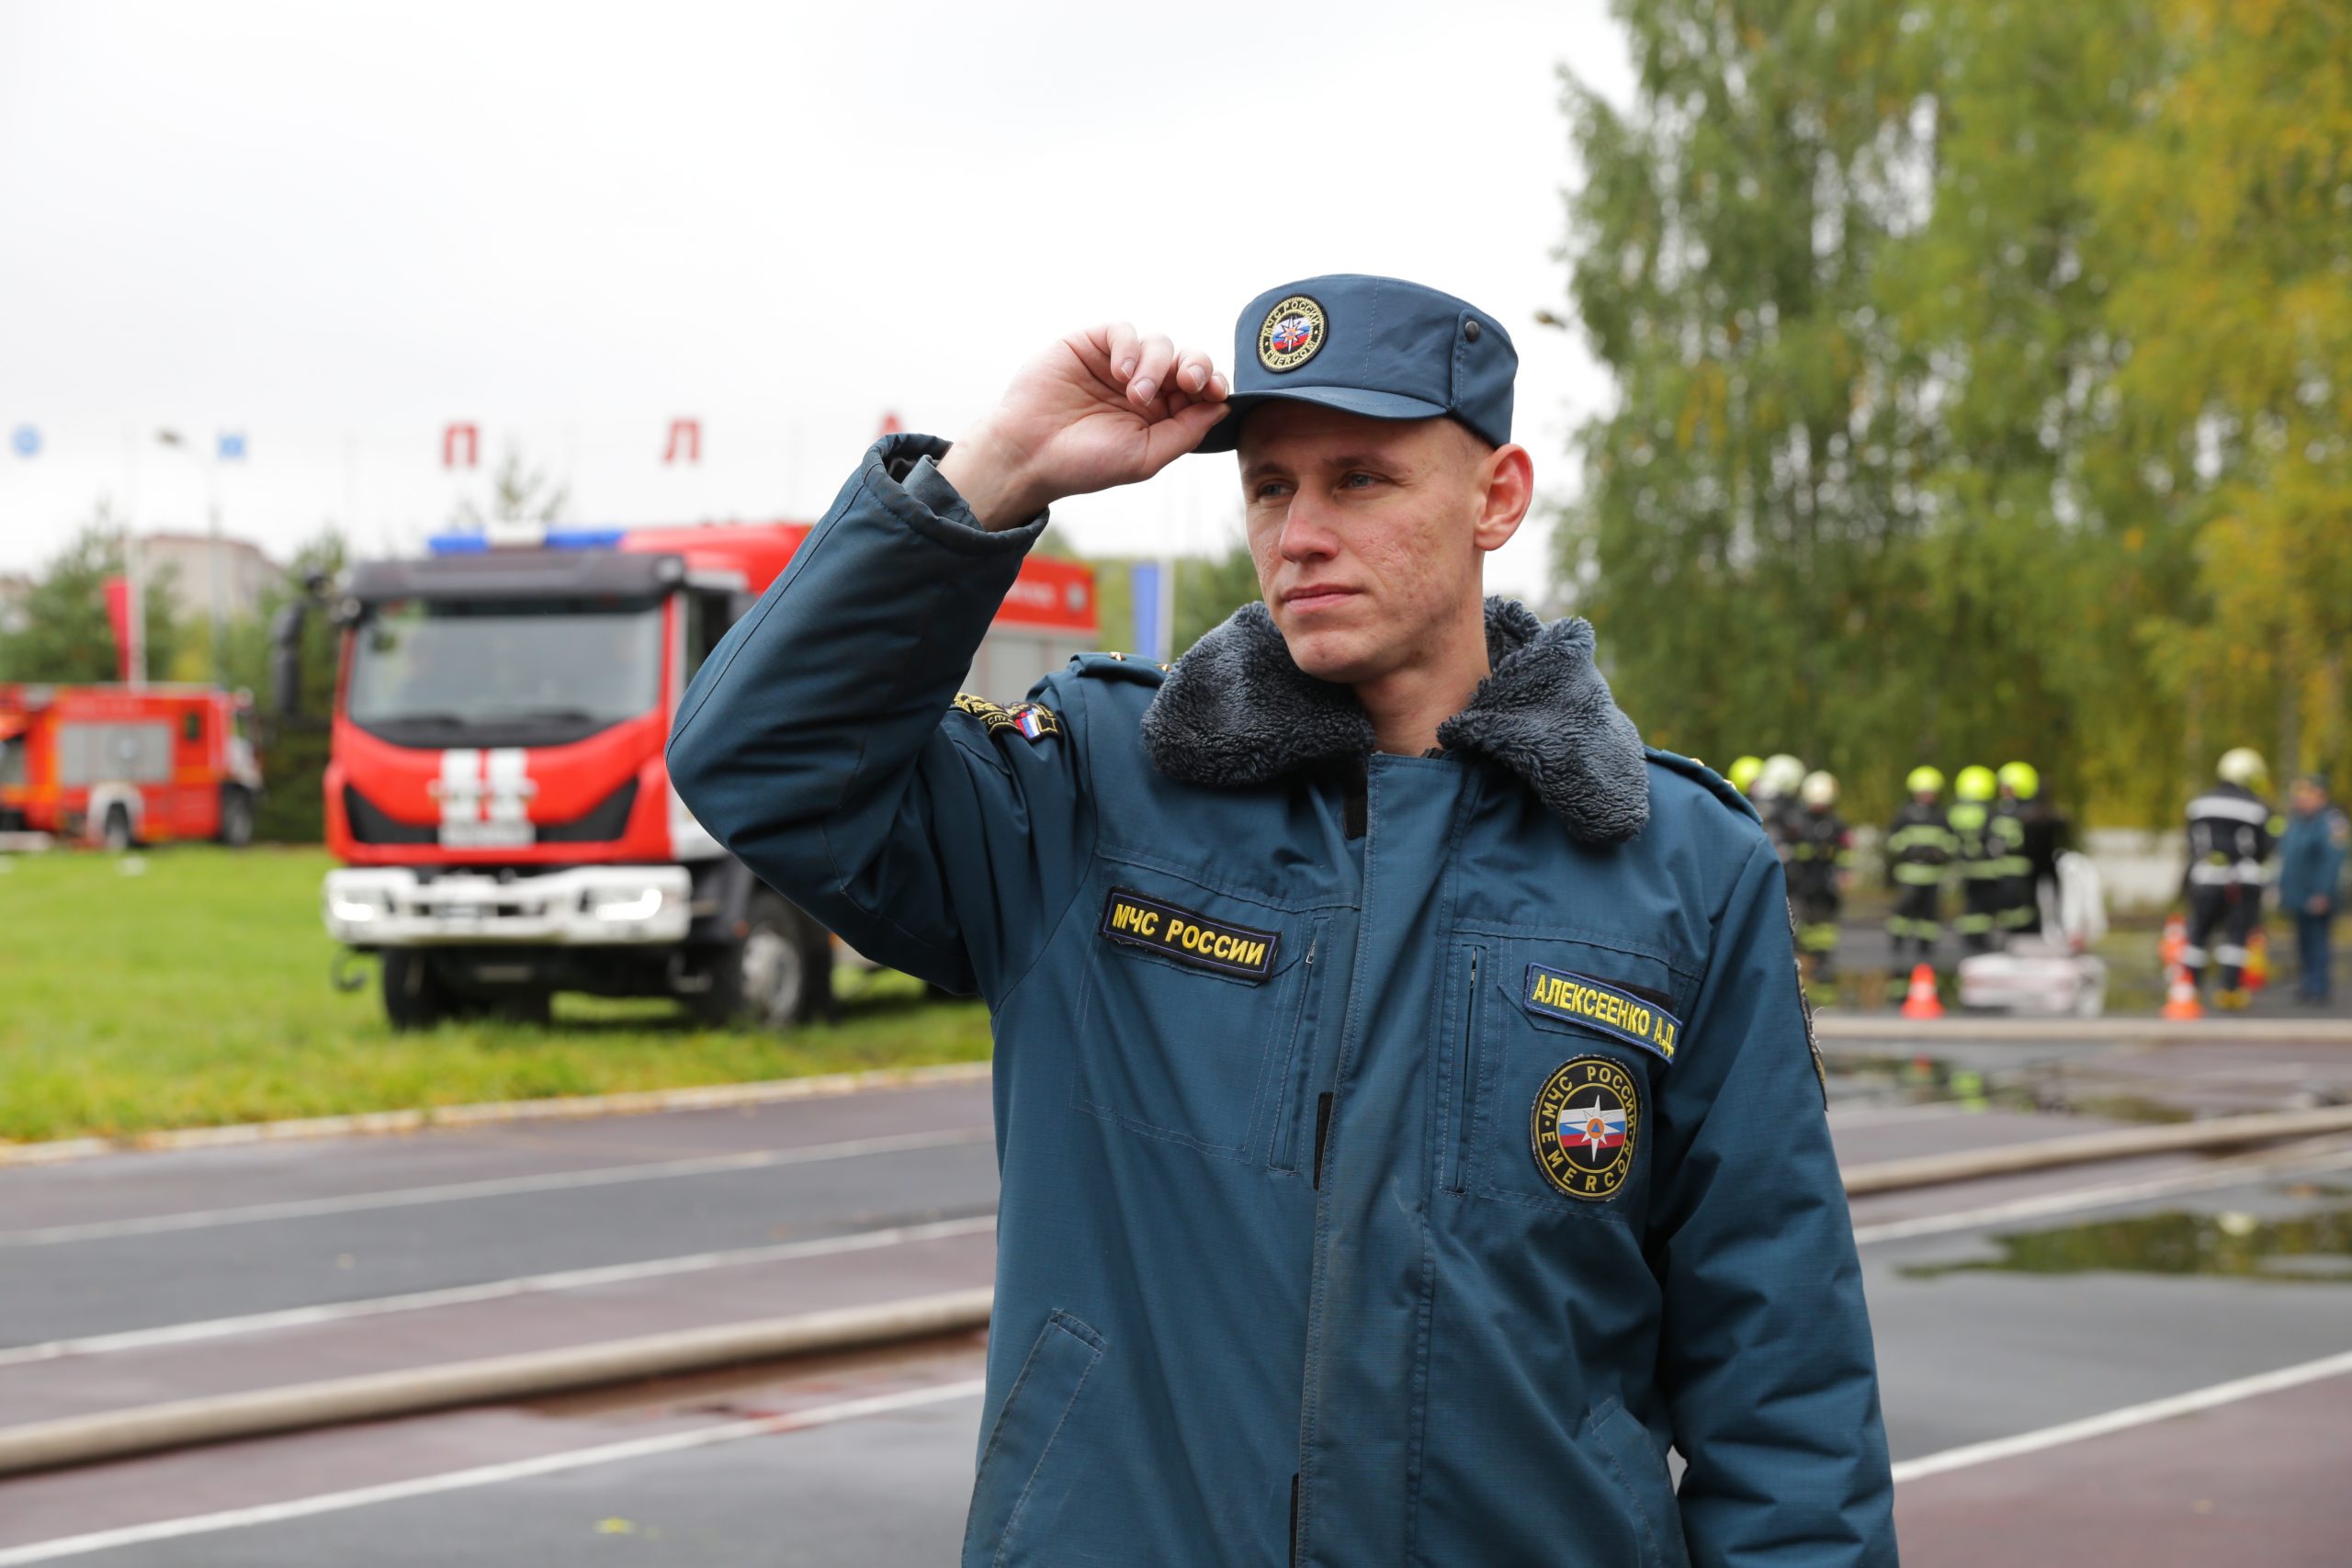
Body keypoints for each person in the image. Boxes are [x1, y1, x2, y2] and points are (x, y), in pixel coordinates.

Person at [667, 276, 1895, 1565]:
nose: (1301, 530)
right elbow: (765, 763)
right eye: (1268, 486)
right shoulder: (1096, 789)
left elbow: (1783, 1379)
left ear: (1499, 496)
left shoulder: (1681, 863)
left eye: (1360, 478)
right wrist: (1000, 469)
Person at [2182, 747, 2276, 1008]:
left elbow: (2191, 842)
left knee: (2198, 934)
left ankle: (2189, 988)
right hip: (2240, 881)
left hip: (2203, 879)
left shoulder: (2199, 803)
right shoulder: (2256, 807)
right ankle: (2230, 989)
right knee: (2235, 936)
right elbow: (2264, 847)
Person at [2278, 773, 2347, 1005]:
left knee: (2318, 942)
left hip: (2318, 896)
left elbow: (2332, 862)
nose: (2302, 800)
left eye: (2308, 795)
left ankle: (2319, 987)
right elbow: (2288, 859)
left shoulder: (2332, 822)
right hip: (2297, 895)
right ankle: (2308, 983)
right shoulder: (2298, 822)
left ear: (2321, 796)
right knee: (2303, 942)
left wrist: (2323, 893)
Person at [1886, 766, 1954, 974]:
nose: (1927, 796)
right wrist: (1909, 849)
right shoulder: (1905, 814)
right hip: (1910, 873)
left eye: (1930, 792)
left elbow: (1951, 842)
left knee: (1930, 912)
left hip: (1932, 875)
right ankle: (1897, 940)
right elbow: (1892, 841)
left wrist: (1939, 853)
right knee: (1904, 907)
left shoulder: (1941, 816)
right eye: (1923, 792)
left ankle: (1926, 946)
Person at [1789, 770, 1850, 984]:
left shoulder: (1836, 823)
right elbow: (1792, 850)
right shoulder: (1798, 821)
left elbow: (1844, 851)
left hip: (1826, 881)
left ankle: (1823, 962)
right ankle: (1802, 959)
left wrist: (1843, 873)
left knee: (1824, 925)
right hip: (1801, 881)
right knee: (1798, 922)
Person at [1997, 761, 2066, 936]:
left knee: (2036, 904)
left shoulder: (2030, 812)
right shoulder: (2027, 811)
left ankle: (2040, 931)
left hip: (2034, 867)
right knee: (2026, 907)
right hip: (2026, 869)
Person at [1946, 765, 2008, 955]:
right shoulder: (1989, 811)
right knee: (1983, 904)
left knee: (1971, 901)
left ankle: (1969, 937)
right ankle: (1980, 940)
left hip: (1965, 866)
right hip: (1986, 868)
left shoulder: (1955, 811)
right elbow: (1998, 839)